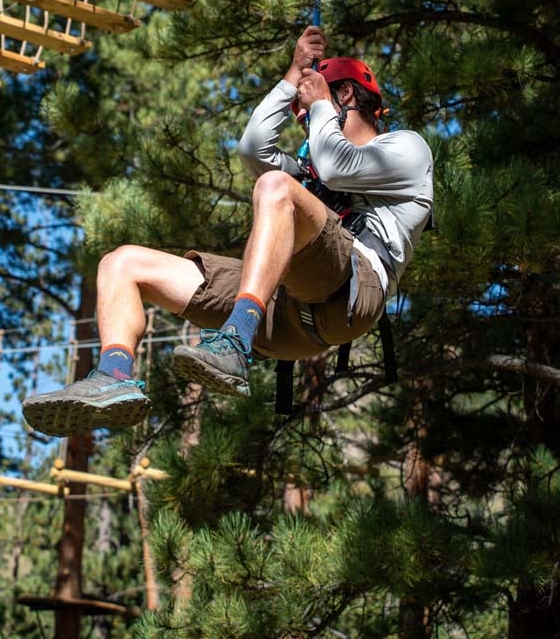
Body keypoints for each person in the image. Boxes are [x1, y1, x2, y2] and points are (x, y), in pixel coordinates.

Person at [22, 27, 434, 437]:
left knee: (274, 187)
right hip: (284, 317)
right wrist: (293, 76)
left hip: (350, 294)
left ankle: (235, 340)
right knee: (122, 263)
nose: (308, 125)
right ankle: (113, 376)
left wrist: (320, 105)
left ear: (343, 96)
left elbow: (335, 166)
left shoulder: (406, 149)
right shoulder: (312, 168)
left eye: (306, 114)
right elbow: (253, 148)